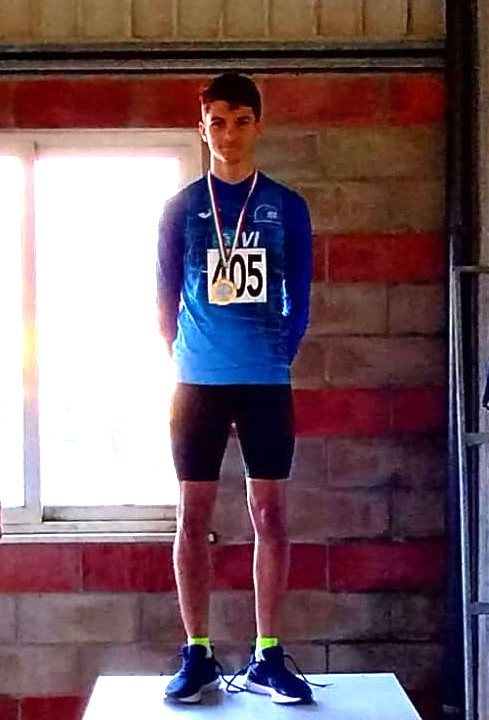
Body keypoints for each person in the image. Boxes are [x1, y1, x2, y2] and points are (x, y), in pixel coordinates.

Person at [156, 72, 313, 705]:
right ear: (203, 130)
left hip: (266, 381)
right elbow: (163, 300)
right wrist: (188, 357)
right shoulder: (181, 209)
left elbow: (299, 299)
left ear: (258, 126)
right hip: (197, 383)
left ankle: (266, 654)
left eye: (241, 121)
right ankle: (197, 653)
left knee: (269, 516)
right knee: (192, 517)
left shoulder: (286, 206)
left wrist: (273, 355)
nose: (229, 133)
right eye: (217, 122)